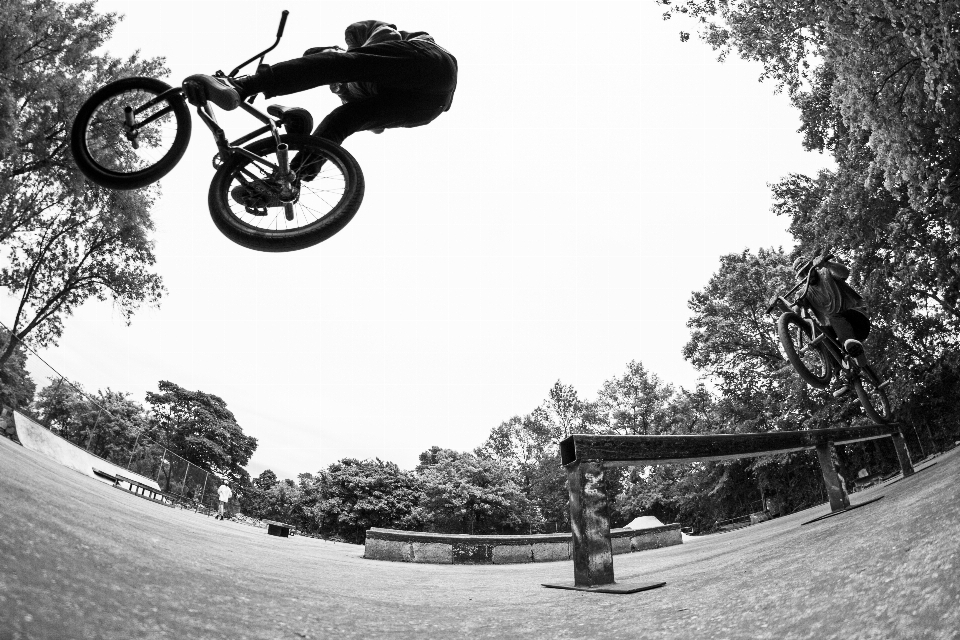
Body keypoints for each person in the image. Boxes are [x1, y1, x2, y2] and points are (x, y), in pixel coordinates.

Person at [182, 20, 458, 207]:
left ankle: (241, 86)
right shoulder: (348, 87)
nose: (336, 88)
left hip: (431, 64)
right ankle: (286, 182)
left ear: (335, 48)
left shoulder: (357, 35)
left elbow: (385, 37)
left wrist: (348, 65)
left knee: (344, 67)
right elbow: (374, 125)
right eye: (333, 87)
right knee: (340, 120)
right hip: (425, 109)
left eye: (335, 84)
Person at [793, 254, 870, 364]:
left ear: (812, 266)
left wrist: (827, 263)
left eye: (808, 270)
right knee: (821, 333)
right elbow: (795, 314)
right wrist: (794, 304)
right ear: (800, 278)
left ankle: (850, 344)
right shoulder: (803, 293)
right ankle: (842, 367)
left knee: (833, 316)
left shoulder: (826, 272)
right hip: (838, 331)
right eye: (803, 274)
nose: (807, 275)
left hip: (857, 319)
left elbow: (845, 273)